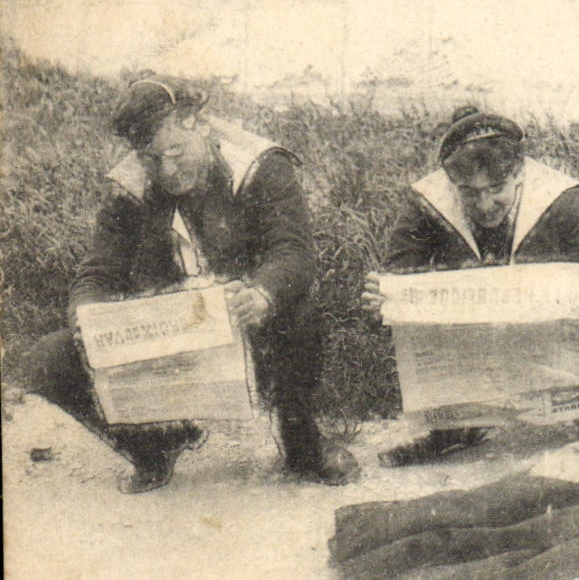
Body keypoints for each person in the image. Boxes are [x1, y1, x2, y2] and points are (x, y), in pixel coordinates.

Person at [14, 75, 358, 493]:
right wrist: (86, 314)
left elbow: (294, 254)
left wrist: (261, 294)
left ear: (198, 122)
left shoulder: (260, 165)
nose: (168, 170)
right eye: (151, 159)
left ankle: (303, 447)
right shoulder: (129, 187)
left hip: (246, 324)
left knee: (301, 316)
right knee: (47, 358)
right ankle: (154, 447)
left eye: (175, 152)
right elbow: (96, 272)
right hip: (171, 331)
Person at [361, 106, 579, 466]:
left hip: (550, 342)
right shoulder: (427, 201)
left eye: (496, 188)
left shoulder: (561, 198)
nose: (485, 205)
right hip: (467, 347)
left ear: (519, 172)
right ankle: (453, 425)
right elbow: (396, 286)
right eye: (469, 192)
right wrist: (381, 305)